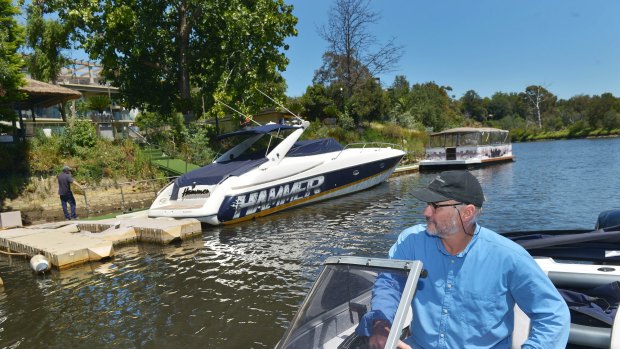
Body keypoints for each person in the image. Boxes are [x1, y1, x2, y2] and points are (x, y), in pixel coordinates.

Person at [356, 170, 570, 348]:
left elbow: (553, 315)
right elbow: (390, 284)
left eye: (435, 205)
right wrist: (380, 324)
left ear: (467, 213)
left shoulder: (509, 257)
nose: (426, 212)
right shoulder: (410, 242)